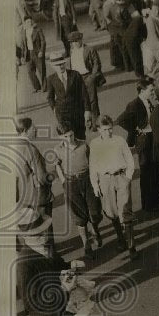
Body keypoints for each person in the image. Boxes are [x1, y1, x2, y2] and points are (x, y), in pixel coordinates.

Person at [89, 115, 140, 261]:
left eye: (110, 128)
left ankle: (132, 247)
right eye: (105, 130)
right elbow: (93, 166)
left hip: (121, 177)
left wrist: (128, 178)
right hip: (105, 180)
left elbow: (130, 160)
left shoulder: (119, 141)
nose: (109, 132)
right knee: (111, 212)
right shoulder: (94, 144)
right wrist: (95, 185)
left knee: (126, 211)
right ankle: (121, 239)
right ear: (99, 130)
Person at [54, 124, 104, 259]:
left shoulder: (83, 145)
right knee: (79, 217)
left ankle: (95, 229)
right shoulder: (58, 150)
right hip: (71, 183)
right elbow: (57, 165)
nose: (69, 139)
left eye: (71, 135)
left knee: (95, 211)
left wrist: (96, 179)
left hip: (87, 180)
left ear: (74, 132)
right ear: (60, 137)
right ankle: (87, 245)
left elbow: (93, 161)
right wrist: (63, 180)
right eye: (65, 136)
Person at [45, 50, 92, 141]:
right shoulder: (51, 79)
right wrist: (54, 109)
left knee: (80, 137)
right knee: (68, 139)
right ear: (53, 66)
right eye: (58, 65)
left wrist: (87, 110)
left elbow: (84, 94)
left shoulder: (75, 75)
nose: (61, 66)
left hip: (77, 112)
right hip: (62, 115)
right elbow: (50, 97)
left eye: (62, 64)